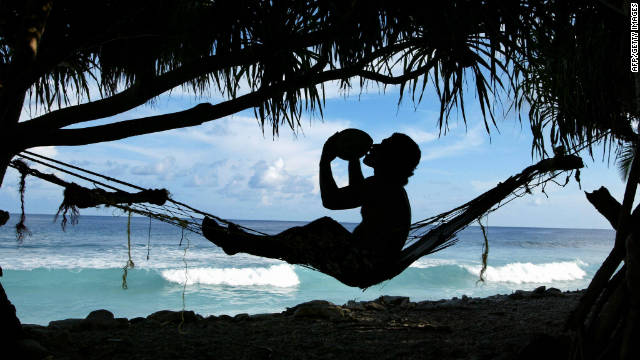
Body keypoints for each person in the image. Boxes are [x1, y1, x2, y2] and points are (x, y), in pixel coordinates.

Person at [202, 131, 421, 283]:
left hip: (363, 267)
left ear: (391, 159)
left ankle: (239, 243)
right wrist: (352, 159)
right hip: (368, 263)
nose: (375, 146)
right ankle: (241, 242)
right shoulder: (387, 187)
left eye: (383, 145)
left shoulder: (382, 186)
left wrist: (325, 161)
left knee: (319, 230)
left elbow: (333, 201)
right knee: (310, 235)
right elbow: (356, 193)